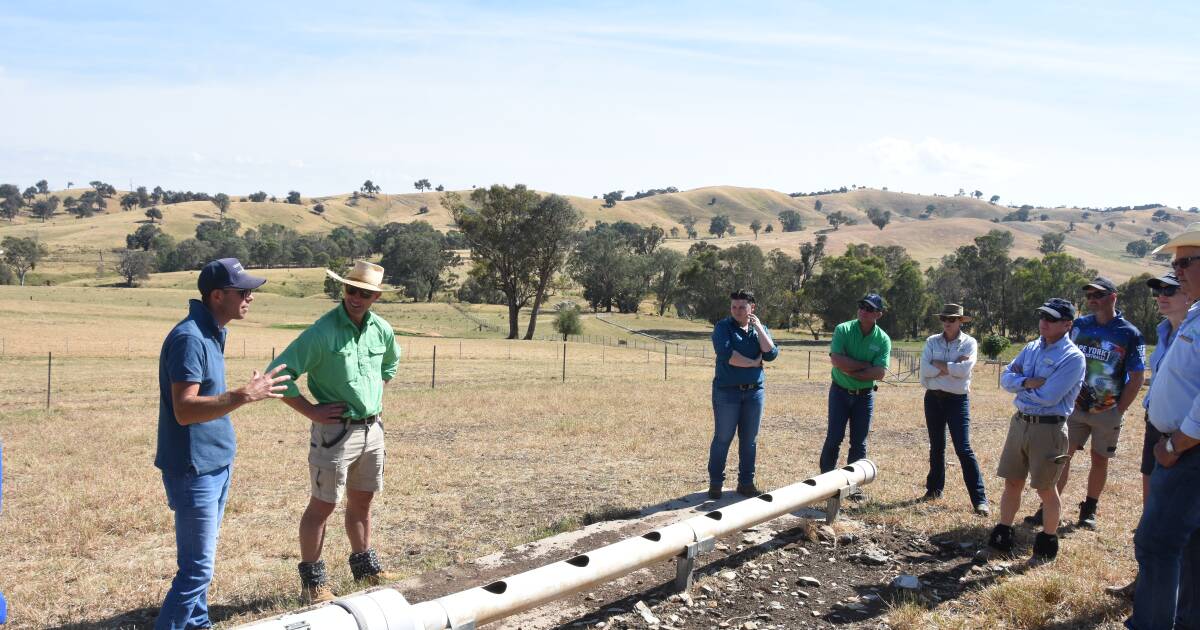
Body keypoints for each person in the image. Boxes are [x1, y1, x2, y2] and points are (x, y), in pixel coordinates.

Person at [154, 258, 291, 630]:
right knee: (197, 570)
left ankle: (198, 624)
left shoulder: (213, 330)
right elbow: (184, 410)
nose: (250, 298)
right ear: (217, 295)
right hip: (193, 468)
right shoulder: (189, 338)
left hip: (215, 463)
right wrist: (244, 395)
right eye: (243, 291)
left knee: (201, 562)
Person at [267, 260, 401, 603]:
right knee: (322, 507)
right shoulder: (322, 331)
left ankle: (366, 568)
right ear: (343, 290)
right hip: (336, 435)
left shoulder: (382, 329)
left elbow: (390, 364)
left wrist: (374, 394)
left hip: (373, 431)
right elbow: (277, 374)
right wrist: (312, 410)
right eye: (351, 290)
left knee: (363, 502)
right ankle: (313, 585)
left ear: (376, 296)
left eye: (365, 293)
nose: (356, 297)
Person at [1025, 277, 1145, 529]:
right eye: (1089, 295)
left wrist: (1119, 409)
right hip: (1074, 408)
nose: (1092, 299)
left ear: (1113, 297)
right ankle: (1048, 507)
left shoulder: (1129, 333)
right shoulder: (1077, 326)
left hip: (1107, 410)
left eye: (1098, 295)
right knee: (1061, 458)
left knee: (1099, 459)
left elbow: (1136, 376)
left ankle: (1089, 509)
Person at [1126, 223, 1200, 629]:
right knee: (1190, 548)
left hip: (1187, 451)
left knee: (1155, 544)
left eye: (1184, 262)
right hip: (1179, 445)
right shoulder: (1196, 315)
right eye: (1174, 264)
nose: (1177, 272)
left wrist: (1177, 445)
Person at [982, 298, 1086, 566]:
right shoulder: (1031, 348)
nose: (1044, 323)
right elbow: (1006, 378)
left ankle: (1046, 545)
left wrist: (1021, 388)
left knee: (1046, 489)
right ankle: (1002, 536)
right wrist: (1027, 382)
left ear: (1067, 324)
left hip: (1049, 428)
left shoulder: (1073, 357)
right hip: (1020, 423)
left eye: (1051, 319)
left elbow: (1050, 396)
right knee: (1012, 481)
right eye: (1042, 317)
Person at [1107, 271, 1190, 599]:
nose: (1161, 295)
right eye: (1157, 290)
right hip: (1155, 428)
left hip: (1184, 435)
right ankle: (1146, 580)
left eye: (1170, 289)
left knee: (1179, 516)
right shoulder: (1163, 331)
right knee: (1151, 508)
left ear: (1189, 292)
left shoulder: (1193, 332)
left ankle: (1175, 592)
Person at [708, 289, 780, 499]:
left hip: (754, 394)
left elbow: (771, 353)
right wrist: (754, 363)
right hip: (727, 393)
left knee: (750, 439)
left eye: (742, 307)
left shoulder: (760, 329)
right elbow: (729, 355)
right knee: (723, 438)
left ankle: (746, 483)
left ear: (752, 308)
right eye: (734, 307)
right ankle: (715, 483)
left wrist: (758, 327)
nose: (737, 311)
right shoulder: (723, 327)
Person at [918, 304, 988, 515]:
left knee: (963, 448)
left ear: (960, 321)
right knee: (936, 446)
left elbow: (964, 370)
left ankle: (979, 500)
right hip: (933, 399)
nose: (947, 322)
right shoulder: (932, 341)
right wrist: (951, 366)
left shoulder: (969, 343)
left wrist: (939, 365)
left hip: (957, 401)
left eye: (952, 319)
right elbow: (925, 371)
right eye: (944, 318)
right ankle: (933, 490)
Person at [820, 293, 891, 481]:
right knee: (834, 438)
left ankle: (854, 485)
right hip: (839, 392)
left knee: (858, 443)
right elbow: (836, 360)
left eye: (869, 309)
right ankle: (825, 483)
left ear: (879, 314)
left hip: (865, 396)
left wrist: (851, 369)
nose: (863, 311)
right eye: (861, 306)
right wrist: (866, 365)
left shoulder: (883, 339)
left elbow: (880, 373)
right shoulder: (843, 329)